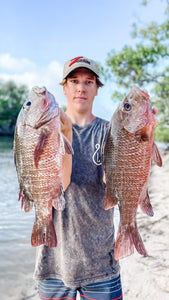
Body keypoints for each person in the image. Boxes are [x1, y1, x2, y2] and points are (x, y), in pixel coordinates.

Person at [34, 56, 123, 300]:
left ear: (97, 89)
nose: (81, 87)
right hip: (54, 259)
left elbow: (112, 184)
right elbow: (57, 186)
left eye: (88, 81)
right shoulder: (44, 131)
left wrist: (141, 137)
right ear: (64, 88)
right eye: (74, 81)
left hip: (100, 263)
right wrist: (64, 134)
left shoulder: (111, 131)